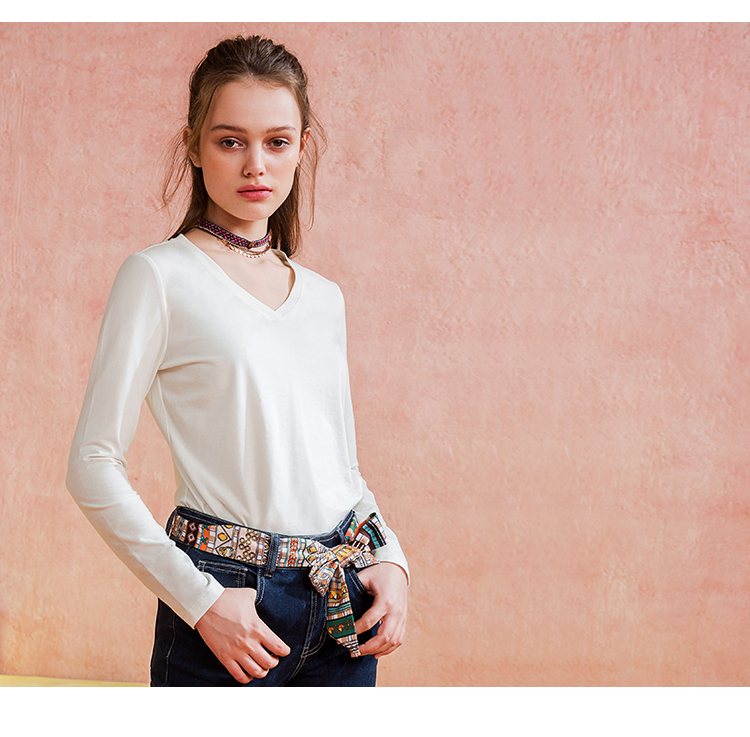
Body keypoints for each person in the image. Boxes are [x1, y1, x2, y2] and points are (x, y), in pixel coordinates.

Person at [66, 34, 409, 687]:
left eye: (277, 142)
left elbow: (339, 469)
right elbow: (91, 466)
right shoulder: (158, 276)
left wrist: (390, 558)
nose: (256, 165)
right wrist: (199, 601)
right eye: (231, 141)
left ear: (302, 147)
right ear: (194, 146)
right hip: (228, 604)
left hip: (343, 602)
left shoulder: (323, 297)